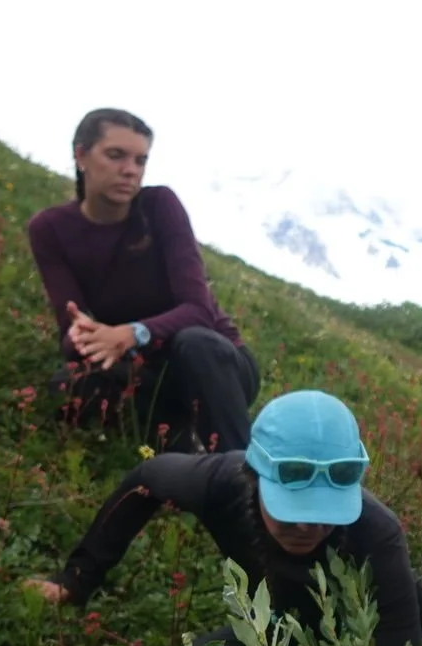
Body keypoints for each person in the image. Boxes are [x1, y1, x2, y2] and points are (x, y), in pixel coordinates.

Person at [29, 390, 422, 646]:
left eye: (324, 515)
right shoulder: (218, 482)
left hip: (358, 635)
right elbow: (144, 481)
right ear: (254, 477)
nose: (308, 528)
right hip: (278, 627)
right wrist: (76, 580)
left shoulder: (377, 533)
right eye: (291, 511)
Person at [26, 108, 259, 453]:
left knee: (194, 342)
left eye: (140, 160)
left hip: (216, 365)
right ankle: (184, 441)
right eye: (116, 155)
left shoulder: (159, 205)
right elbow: (71, 334)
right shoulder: (50, 229)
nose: (130, 170)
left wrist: (131, 334)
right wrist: (84, 336)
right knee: (69, 385)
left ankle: (240, 471)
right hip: (143, 371)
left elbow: (199, 311)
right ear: (81, 155)